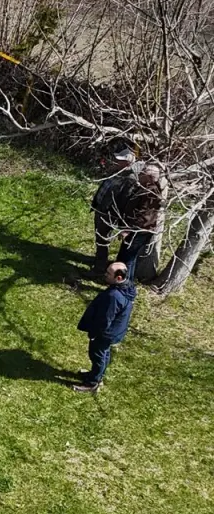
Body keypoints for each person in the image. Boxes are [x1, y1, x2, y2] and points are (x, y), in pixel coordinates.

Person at [73, 262, 136, 393]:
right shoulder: (127, 287)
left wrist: (95, 333)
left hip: (106, 333)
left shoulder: (114, 296)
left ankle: (92, 383)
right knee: (104, 354)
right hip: (115, 331)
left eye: (108, 273)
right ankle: (96, 375)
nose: (105, 275)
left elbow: (105, 319)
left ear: (118, 278)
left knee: (97, 355)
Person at [90, 146, 141, 276]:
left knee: (102, 240)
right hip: (100, 209)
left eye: (119, 160)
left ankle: (99, 268)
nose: (115, 161)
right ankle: (100, 261)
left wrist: (121, 223)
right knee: (100, 238)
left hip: (109, 214)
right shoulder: (116, 171)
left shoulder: (130, 179)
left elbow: (124, 202)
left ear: (128, 163)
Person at [117, 165, 162, 281]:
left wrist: (127, 229)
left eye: (143, 173)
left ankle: (125, 284)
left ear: (149, 177)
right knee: (127, 255)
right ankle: (121, 280)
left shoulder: (150, 192)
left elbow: (142, 215)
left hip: (139, 229)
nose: (140, 175)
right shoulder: (147, 188)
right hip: (139, 228)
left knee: (128, 258)